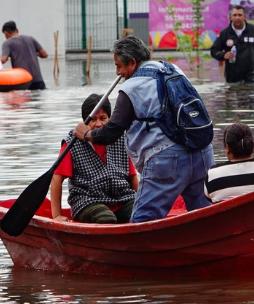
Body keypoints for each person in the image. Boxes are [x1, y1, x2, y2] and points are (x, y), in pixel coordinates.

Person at [73, 35, 214, 223]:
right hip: (203, 153)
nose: (118, 73)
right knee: (204, 215)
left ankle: (138, 252)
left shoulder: (131, 88)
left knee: (142, 221)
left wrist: (87, 134)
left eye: (119, 66)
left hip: (166, 161)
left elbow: (111, 132)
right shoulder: (173, 70)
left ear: (132, 62)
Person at [50, 93, 138, 224]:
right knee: (106, 219)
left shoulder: (119, 138)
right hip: (88, 201)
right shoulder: (71, 143)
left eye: (103, 118)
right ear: (84, 122)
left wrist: (139, 201)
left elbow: (132, 177)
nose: (98, 124)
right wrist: (57, 215)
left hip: (122, 198)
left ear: (110, 119)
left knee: (143, 213)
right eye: (92, 119)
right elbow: (56, 179)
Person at [210, 5, 254, 84]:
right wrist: (223, 55)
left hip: (251, 74)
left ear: (244, 17)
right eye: (235, 15)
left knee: (251, 93)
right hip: (232, 75)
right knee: (232, 94)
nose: (237, 17)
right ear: (231, 17)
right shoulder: (225, 33)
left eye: (240, 15)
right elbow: (214, 50)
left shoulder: (252, 30)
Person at [0, 21, 48, 90]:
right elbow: (45, 55)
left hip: (23, 81)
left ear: (5, 33)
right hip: (38, 80)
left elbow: (3, 59)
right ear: (17, 30)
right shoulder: (30, 38)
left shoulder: (7, 43)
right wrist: (34, 53)